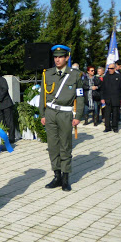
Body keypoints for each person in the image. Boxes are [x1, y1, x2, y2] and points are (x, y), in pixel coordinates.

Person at [39, 45, 84, 192]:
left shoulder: (75, 75)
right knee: (52, 146)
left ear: (67, 58)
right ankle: (56, 176)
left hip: (65, 114)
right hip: (51, 113)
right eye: (55, 57)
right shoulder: (47, 74)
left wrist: (78, 116)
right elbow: (42, 96)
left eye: (60, 57)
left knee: (65, 146)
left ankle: (65, 178)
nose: (57, 60)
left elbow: (80, 96)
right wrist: (42, 114)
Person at [100, 63, 121, 133]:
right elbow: (102, 89)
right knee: (107, 114)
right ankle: (107, 127)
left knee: (115, 114)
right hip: (107, 99)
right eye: (108, 68)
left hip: (116, 98)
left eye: (111, 68)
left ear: (114, 69)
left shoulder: (119, 77)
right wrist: (102, 98)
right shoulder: (105, 77)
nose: (109, 70)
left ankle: (115, 127)